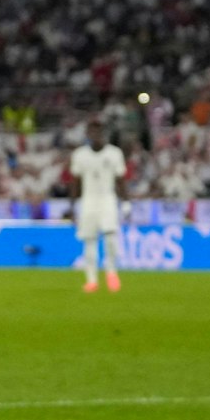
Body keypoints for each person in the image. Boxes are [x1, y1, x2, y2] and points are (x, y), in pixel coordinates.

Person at [70, 121, 128, 292]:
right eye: (92, 132)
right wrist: (72, 206)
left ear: (103, 134)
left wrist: (126, 202)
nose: (95, 136)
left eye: (98, 132)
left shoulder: (114, 153)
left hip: (107, 199)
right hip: (88, 200)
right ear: (88, 134)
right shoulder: (80, 155)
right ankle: (92, 280)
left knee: (110, 238)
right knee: (89, 241)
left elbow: (120, 179)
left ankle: (111, 271)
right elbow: (75, 181)